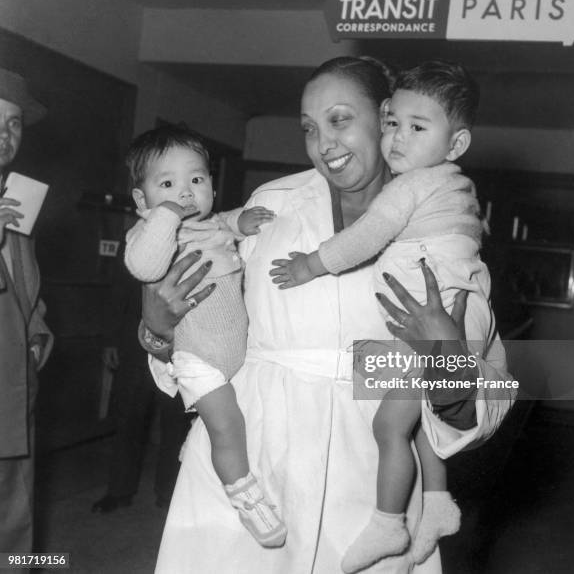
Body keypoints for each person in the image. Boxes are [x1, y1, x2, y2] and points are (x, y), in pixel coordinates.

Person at [140, 57, 514, 573]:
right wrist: (158, 332)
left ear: (386, 115)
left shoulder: (445, 228)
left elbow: (491, 383)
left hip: (372, 471)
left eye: (340, 120)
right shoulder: (272, 205)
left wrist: (446, 370)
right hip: (253, 455)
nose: (324, 144)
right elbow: (204, 321)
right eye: (310, 129)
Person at [271, 60, 490, 570]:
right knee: (410, 424)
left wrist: (310, 264)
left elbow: (366, 239)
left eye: (342, 119)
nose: (397, 138)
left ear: (455, 145)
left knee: (391, 427)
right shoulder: (456, 191)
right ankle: (436, 502)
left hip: (419, 348)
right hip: (286, 454)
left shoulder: (409, 190)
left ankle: (389, 523)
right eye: (396, 124)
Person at [123, 125, 285, 547]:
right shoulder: (151, 233)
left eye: (196, 180)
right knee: (229, 426)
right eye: (167, 184)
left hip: (235, 349)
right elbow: (144, 267)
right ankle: (244, 495)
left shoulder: (208, 222)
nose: (185, 193)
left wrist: (240, 221)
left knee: (229, 425)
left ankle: (204, 450)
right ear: (142, 200)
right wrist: (165, 216)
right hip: (198, 354)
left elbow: (221, 224)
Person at [92, 241, 190, 513]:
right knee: (128, 421)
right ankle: (119, 491)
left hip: (178, 346)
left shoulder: (196, 236)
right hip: (134, 345)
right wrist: (110, 339)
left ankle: (168, 493)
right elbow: (117, 291)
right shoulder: (137, 238)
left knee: (175, 423)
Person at [0, 68, 53, 553]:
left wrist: (36, 336)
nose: (4, 135)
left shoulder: (16, 203)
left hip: (14, 389)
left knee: (15, 525)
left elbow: (25, 291)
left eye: (13, 123)